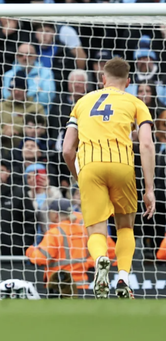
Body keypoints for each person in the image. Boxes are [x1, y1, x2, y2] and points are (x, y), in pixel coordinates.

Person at [62, 57, 156, 299]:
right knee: (125, 227)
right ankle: (123, 278)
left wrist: (79, 175)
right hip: (122, 165)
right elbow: (146, 143)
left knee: (96, 230)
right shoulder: (136, 103)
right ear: (129, 81)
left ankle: (101, 259)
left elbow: (67, 150)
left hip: (91, 165)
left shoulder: (82, 102)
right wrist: (149, 188)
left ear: (102, 79)